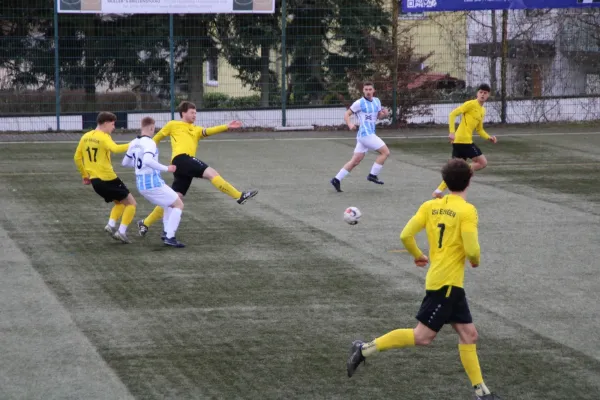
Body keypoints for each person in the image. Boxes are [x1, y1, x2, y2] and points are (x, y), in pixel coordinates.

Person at [347, 158, 501, 400]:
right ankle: (365, 349)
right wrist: (475, 260)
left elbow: (406, 235)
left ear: (446, 182)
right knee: (423, 337)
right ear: (469, 180)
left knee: (469, 335)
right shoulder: (467, 210)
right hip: (446, 285)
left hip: (446, 283)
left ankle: (482, 393)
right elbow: (472, 249)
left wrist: (418, 255)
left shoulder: (430, 206)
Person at [137, 101, 258, 238]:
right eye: (192, 112)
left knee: (174, 199)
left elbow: (208, 131)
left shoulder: (196, 129)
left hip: (184, 165)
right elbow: (157, 138)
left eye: (195, 113)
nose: (195, 115)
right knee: (212, 173)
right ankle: (238, 196)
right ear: (183, 113)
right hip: (181, 159)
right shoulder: (173, 124)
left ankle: (145, 222)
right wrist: (146, 151)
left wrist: (226, 126)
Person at [74, 112, 137, 244]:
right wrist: (134, 144)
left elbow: (77, 158)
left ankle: (111, 225)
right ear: (106, 123)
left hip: (96, 182)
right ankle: (121, 232)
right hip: (109, 178)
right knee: (131, 203)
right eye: (113, 124)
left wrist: (85, 175)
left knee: (119, 203)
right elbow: (115, 148)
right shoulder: (103, 137)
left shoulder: (85, 136)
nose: (113, 127)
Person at [122, 117, 185, 248]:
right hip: (152, 183)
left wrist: (139, 166)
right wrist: (167, 168)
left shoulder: (134, 142)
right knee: (178, 204)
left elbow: (125, 163)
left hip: (141, 184)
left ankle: (167, 233)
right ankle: (170, 237)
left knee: (169, 203)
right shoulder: (150, 143)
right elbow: (147, 161)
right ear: (151, 128)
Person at [432, 84, 497, 199]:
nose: (482, 94)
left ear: (488, 95)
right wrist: (452, 132)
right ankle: (462, 171)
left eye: (485, 93)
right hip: (463, 141)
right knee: (482, 163)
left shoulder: (482, 110)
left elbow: (479, 129)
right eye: (481, 92)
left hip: (462, 141)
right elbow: (452, 114)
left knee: (453, 170)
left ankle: (438, 191)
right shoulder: (470, 104)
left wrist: (488, 137)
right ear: (477, 93)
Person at [330, 82, 390, 192]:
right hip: (366, 134)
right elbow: (347, 114)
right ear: (363, 90)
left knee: (355, 161)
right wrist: (350, 124)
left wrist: (384, 114)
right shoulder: (359, 103)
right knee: (385, 152)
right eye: (366, 89)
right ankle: (373, 175)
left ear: (373, 90)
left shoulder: (377, 101)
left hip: (366, 135)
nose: (368, 91)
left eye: (370, 89)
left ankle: (336, 179)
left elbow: (378, 117)